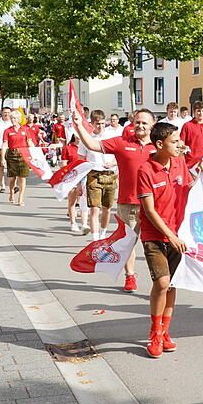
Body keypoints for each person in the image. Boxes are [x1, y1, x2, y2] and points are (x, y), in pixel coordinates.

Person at [74, 108, 157, 293]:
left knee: (154, 245)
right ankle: (130, 276)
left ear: (153, 125)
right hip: (128, 203)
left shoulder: (159, 146)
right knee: (128, 243)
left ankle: (159, 280)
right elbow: (92, 145)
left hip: (154, 204)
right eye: (137, 122)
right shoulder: (122, 142)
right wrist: (79, 125)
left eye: (144, 122)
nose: (140, 125)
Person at [136, 122, 201, 358]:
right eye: (175, 141)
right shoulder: (145, 169)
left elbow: (188, 188)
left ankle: (165, 332)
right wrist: (170, 236)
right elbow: (150, 210)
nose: (180, 145)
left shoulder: (179, 163)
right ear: (160, 144)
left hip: (178, 234)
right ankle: (154, 333)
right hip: (155, 235)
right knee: (162, 283)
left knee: (172, 284)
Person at [79, 110, 119, 240]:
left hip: (110, 174)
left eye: (103, 123)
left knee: (107, 208)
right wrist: (80, 183)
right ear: (92, 123)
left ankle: (103, 234)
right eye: (98, 124)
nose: (101, 126)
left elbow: (119, 155)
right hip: (93, 175)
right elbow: (80, 161)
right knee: (94, 209)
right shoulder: (87, 138)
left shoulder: (112, 136)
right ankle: (95, 239)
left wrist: (113, 163)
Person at [0, 112, 36, 206]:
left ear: (19, 119)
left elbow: (30, 142)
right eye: (11, 118)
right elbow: (5, 144)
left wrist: (34, 152)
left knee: (22, 177)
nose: (13, 120)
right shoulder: (7, 131)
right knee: (12, 178)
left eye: (15, 118)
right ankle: (11, 192)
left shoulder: (25, 129)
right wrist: (3, 158)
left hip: (23, 153)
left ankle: (20, 198)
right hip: (12, 154)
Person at [180, 101, 203, 169]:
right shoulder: (187, 125)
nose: (201, 113)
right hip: (191, 162)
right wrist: (184, 147)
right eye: (198, 111)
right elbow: (181, 142)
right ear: (194, 112)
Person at [0, 107, 14, 193]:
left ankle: (13, 185)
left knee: (11, 167)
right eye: (5, 112)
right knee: (1, 167)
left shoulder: (13, 122)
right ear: (2, 113)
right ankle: (3, 185)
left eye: (8, 112)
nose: (6, 114)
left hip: (10, 147)